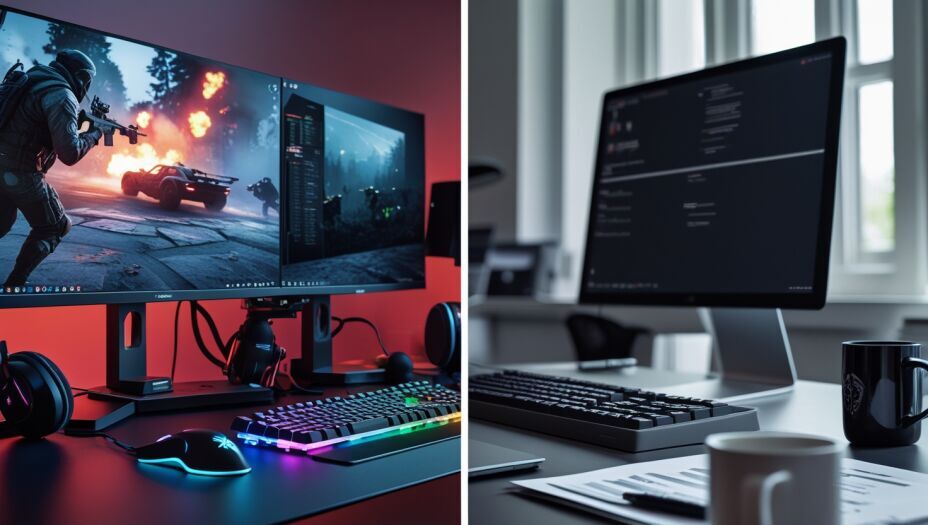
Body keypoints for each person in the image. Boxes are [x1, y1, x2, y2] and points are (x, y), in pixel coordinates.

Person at [0, 49, 102, 287]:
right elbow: (69, 153)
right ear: (81, 77)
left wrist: (80, 124)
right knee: (55, 226)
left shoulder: (29, 80)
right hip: (21, 171)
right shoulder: (61, 94)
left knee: (2, 221)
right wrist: (95, 135)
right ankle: (14, 287)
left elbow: (29, 120)